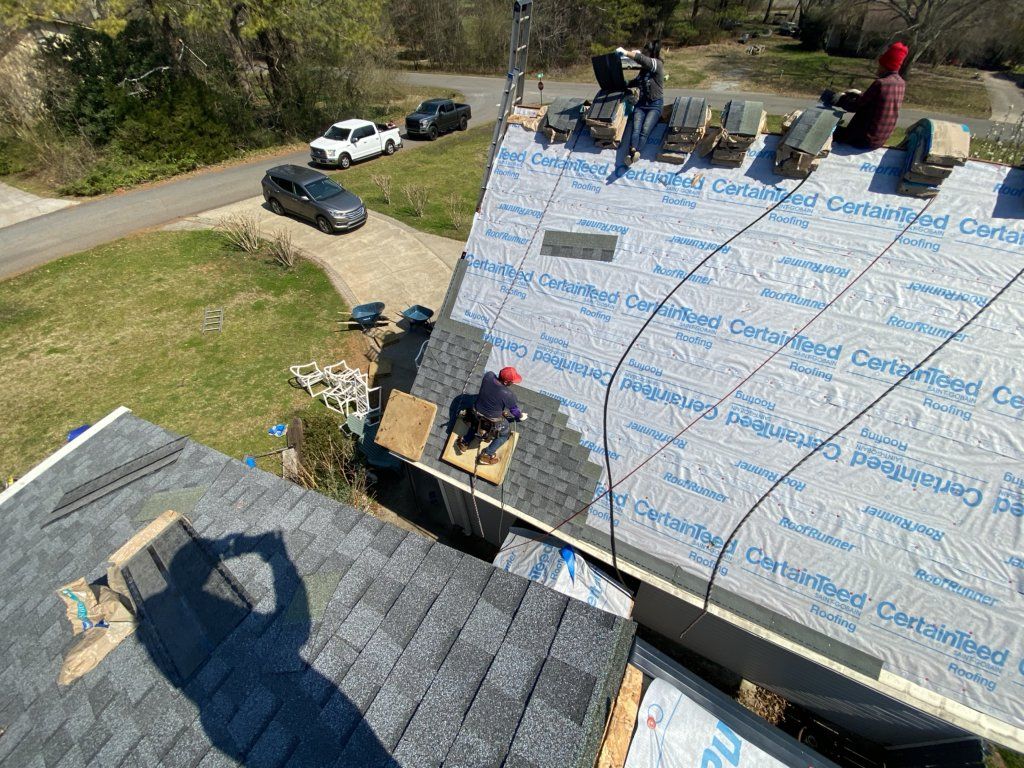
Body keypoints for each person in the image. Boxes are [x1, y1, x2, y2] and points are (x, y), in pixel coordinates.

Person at [832, 42, 908, 149]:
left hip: (865, 139)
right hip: (880, 139)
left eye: (880, 64)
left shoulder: (881, 83)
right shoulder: (901, 83)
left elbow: (855, 106)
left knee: (828, 131)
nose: (878, 67)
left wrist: (840, 99)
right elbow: (876, 101)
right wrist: (859, 94)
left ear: (885, 65)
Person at [455, 366, 528, 465]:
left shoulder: (488, 376)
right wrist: (521, 416)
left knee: (475, 423)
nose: (513, 383)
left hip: (476, 413)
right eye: (512, 381)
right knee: (505, 434)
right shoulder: (508, 394)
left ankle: (464, 442)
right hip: (491, 421)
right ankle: (487, 455)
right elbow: (514, 411)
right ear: (506, 382)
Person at [615, 40, 665, 166]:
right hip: (641, 104)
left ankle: (633, 153)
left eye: (646, 51)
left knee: (645, 129)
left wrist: (626, 52)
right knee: (635, 129)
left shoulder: (657, 64)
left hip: (655, 105)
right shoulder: (644, 70)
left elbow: (644, 60)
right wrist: (624, 84)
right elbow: (637, 81)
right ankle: (633, 152)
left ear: (652, 52)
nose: (644, 53)